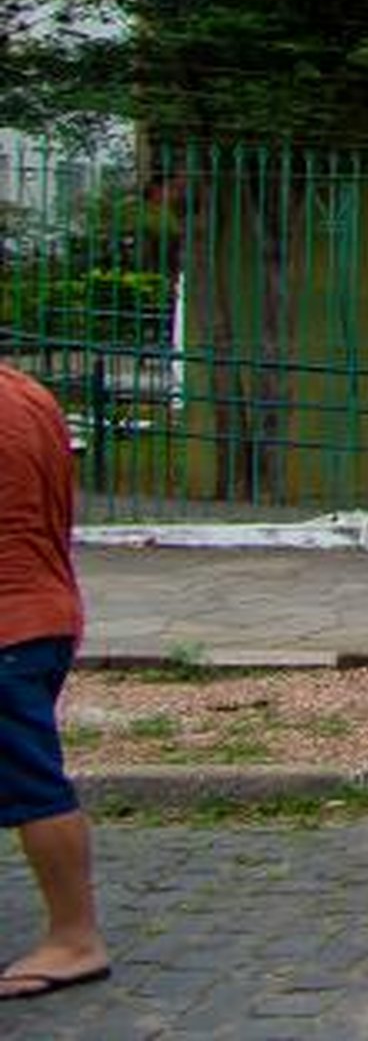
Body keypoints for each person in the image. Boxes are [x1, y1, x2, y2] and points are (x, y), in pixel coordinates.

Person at [0, 368, 103, 1003]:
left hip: (8, 627)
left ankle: (75, 937)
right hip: (47, 612)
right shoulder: (25, 392)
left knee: (32, 783)